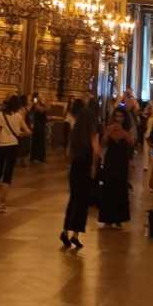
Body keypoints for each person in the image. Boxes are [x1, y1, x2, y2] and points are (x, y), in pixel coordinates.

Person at [61, 100, 102, 251]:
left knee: (73, 200)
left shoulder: (75, 132)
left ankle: (65, 231)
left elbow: (68, 152)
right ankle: (76, 235)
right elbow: (96, 151)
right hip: (86, 168)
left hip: (75, 168)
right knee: (83, 202)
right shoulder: (92, 131)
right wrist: (94, 166)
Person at [0, 93, 30, 213]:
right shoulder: (19, 116)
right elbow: (28, 131)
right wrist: (19, 134)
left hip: (1, 146)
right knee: (7, 175)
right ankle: (2, 204)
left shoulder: (0, 115)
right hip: (13, 146)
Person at [98, 107, 133, 228]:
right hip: (111, 161)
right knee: (108, 187)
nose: (118, 119)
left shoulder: (127, 130)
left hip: (122, 162)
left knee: (120, 188)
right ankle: (107, 218)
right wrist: (108, 133)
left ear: (124, 118)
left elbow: (131, 142)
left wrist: (122, 131)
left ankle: (119, 219)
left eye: (121, 116)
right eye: (116, 116)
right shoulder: (109, 128)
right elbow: (103, 143)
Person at [29, 92, 48, 163]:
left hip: (42, 124)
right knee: (37, 141)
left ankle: (40, 157)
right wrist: (36, 101)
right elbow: (39, 110)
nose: (42, 96)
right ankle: (35, 157)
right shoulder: (35, 102)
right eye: (40, 95)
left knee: (41, 141)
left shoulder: (41, 103)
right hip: (38, 125)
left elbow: (47, 109)